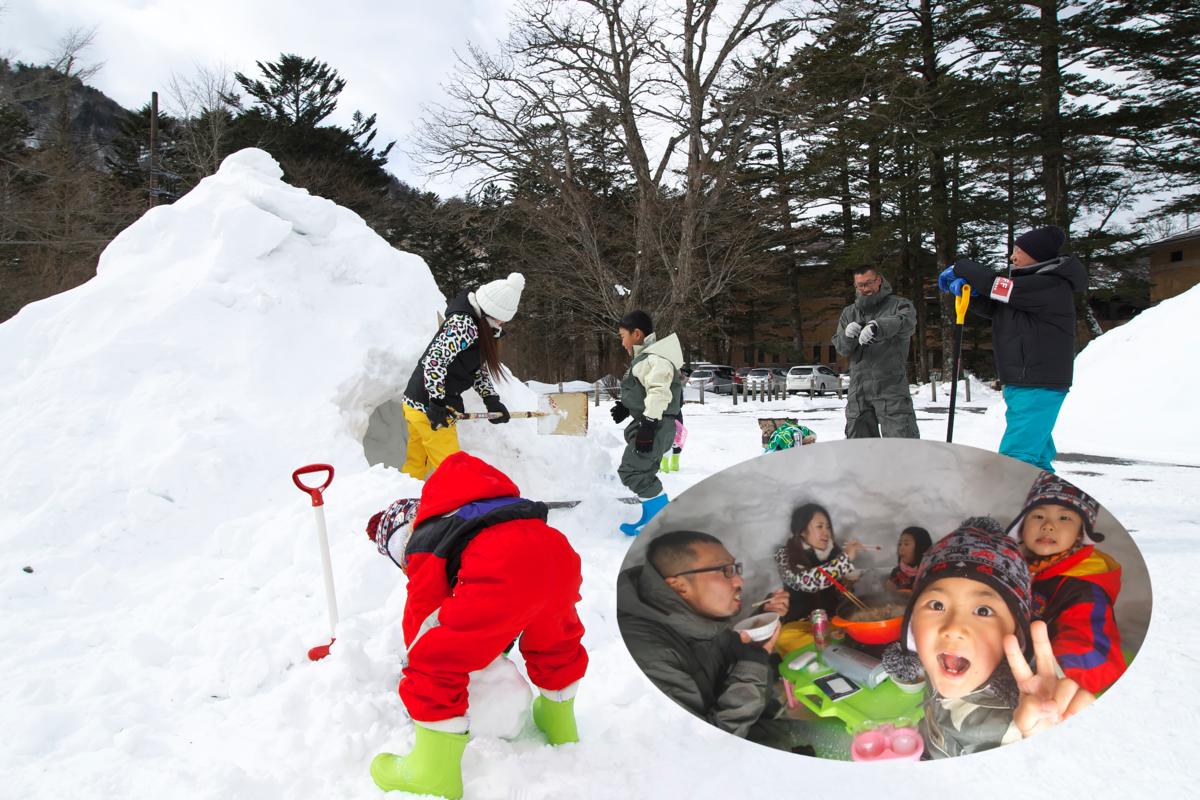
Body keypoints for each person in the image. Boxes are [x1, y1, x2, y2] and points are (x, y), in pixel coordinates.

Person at [366, 451, 588, 799]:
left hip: (502, 566)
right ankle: (560, 723)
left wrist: (421, 660)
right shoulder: (488, 509)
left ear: (404, 537)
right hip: (556, 553)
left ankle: (431, 771)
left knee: (434, 658)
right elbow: (505, 598)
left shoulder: (426, 539)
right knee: (556, 640)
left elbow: (424, 621)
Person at [881, 517, 1094, 759]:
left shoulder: (1033, 713)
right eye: (937, 605)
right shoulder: (943, 664)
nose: (954, 628)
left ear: (1016, 632)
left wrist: (1051, 744)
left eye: (983, 611)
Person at [616, 530, 798, 748]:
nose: (740, 580)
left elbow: (719, 654)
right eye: (725, 571)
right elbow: (704, 748)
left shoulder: (694, 617)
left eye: (735, 568)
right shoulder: (648, 656)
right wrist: (751, 669)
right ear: (679, 586)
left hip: (757, 725)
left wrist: (760, 621)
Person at [938, 225, 1086, 472]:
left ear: (1037, 254)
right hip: (1025, 380)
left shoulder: (1049, 285)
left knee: (1016, 459)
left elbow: (994, 285)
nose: (1012, 256)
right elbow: (995, 307)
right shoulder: (1027, 286)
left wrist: (960, 266)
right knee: (1034, 457)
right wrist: (972, 295)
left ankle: (1011, 506)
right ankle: (1039, 502)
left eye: (1018, 250)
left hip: (1038, 382)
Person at [1007, 471, 1126, 694]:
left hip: (1035, 683)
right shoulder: (1018, 565)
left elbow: (1090, 646)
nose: (1048, 526)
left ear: (1081, 533)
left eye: (1064, 518)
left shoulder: (1083, 588)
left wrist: (1059, 675)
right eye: (1038, 516)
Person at [400, 273, 524, 480]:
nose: (503, 324)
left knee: (417, 463)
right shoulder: (463, 325)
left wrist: (491, 399)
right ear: (492, 313)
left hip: (416, 403)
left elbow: (474, 368)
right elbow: (434, 361)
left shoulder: (477, 325)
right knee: (451, 469)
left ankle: (407, 498)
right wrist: (437, 402)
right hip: (428, 407)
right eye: (503, 319)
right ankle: (458, 509)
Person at [610, 310, 683, 536]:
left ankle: (658, 518)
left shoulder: (654, 359)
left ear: (637, 334)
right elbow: (646, 391)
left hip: (655, 427)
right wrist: (628, 406)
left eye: (623, 336)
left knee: (631, 471)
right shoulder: (648, 358)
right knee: (643, 472)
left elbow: (659, 392)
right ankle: (659, 518)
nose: (622, 342)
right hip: (653, 425)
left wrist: (649, 425)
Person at [832, 266, 920, 439]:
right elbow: (842, 348)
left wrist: (878, 327)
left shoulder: (900, 305)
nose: (865, 289)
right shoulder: (849, 313)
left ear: (879, 280)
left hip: (891, 386)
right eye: (860, 285)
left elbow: (906, 323)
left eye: (869, 283)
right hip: (858, 389)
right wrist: (847, 336)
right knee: (859, 444)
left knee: (901, 442)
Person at [774, 503, 867, 622]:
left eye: (828, 527)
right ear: (802, 530)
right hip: (799, 627)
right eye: (819, 526)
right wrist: (845, 560)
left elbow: (841, 597)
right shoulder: (785, 554)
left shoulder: (835, 553)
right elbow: (806, 581)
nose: (826, 532)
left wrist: (847, 583)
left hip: (834, 624)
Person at [886, 526, 933, 592]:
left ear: (921, 547)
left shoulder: (929, 572)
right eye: (900, 544)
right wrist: (889, 589)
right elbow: (889, 596)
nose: (901, 548)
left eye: (906, 544)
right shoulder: (897, 571)